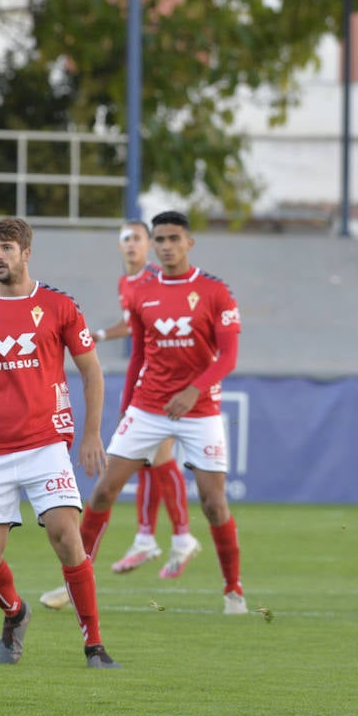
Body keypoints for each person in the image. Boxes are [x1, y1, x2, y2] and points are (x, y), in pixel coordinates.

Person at [0, 217, 120, 669]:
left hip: (45, 445)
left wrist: (93, 433)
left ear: (26, 253)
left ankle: (94, 646)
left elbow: (91, 370)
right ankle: (15, 611)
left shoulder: (59, 306)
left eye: (5, 248)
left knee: (65, 535)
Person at [74, 210, 247, 615]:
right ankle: (75, 580)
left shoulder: (215, 291)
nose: (167, 246)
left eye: (174, 238)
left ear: (189, 243)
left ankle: (233, 590)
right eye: (161, 239)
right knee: (103, 490)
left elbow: (229, 356)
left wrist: (194, 390)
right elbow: (137, 354)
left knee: (213, 502)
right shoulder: (140, 291)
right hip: (148, 407)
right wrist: (127, 406)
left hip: (200, 410)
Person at [39, 220, 199, 610]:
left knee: (149, 462)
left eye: (138, 239)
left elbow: (137, 326)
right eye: (125, 239)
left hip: (168, 382)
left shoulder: (154, 282)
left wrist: (101, 335)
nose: (131, 245)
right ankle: (157, 539)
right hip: (144, 382)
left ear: (149, 245)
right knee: (150, 462)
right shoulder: (127, 284)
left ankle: (168, 537)